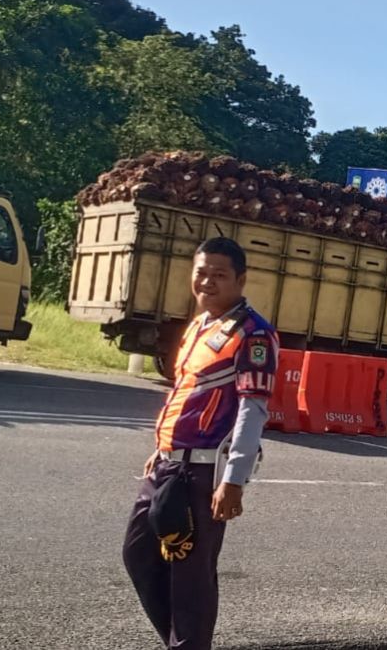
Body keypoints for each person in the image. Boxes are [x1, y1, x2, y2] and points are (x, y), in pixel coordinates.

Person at [122, 236, 279, 650]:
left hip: (205, 472)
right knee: (139, 553)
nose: (207, 282)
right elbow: (185, 396)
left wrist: (234, 479)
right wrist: (162, 446)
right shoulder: (199, 326)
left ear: (240, 280)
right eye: (201, 273)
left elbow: (252, 410)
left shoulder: (254, 335)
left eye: (219, 275)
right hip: (169, 464)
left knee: (190, 576)